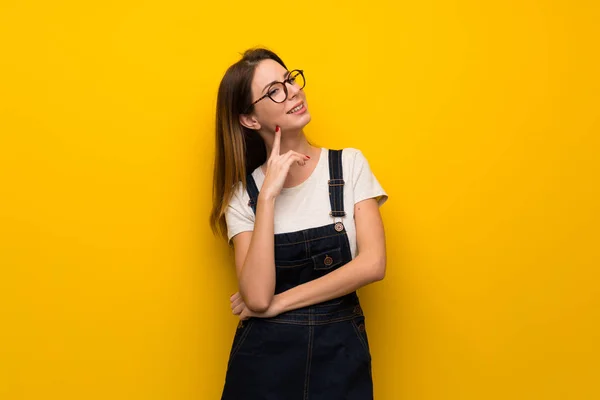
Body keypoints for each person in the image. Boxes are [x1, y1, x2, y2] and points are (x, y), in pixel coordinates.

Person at [209, 47, 388, 400]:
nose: (292, 91)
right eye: (274, 90)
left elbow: (373, 264)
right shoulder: (244, 195)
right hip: (263, 369)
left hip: (340, 363)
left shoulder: (348, 166)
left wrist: (281, 303)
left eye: (289, 79)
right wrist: (268, 197)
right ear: (249, 119)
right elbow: (258, 298)